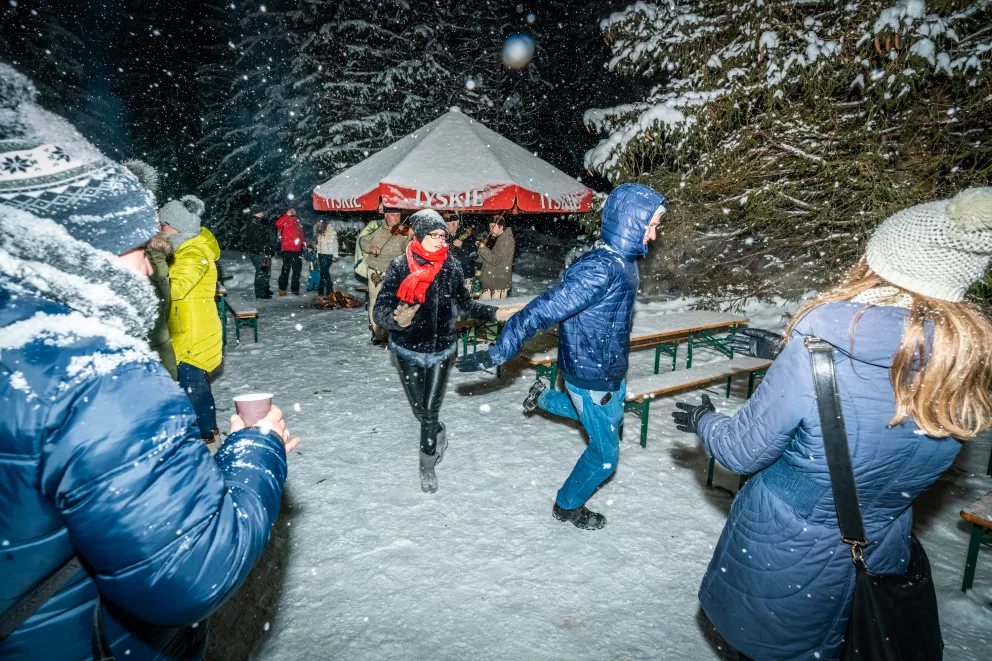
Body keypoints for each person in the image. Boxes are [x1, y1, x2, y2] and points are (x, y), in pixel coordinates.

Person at [0, 64, 298, 660]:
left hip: (49, 635)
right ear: (83, 248)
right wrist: (257, 449)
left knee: (195, 398)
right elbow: (189, 572)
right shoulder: (96, 378)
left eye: (150, 243)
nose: (145, 265)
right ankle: (211, 441)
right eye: (139, 246)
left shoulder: (32, 346)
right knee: (194, 400)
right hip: (81, 645)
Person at [669, 187, 992, 661]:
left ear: (881, 262)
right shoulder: (962, 366)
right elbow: (882, 419)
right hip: (880, 548)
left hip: (785, 552)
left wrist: (705, 419)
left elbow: (741, 451)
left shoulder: (819, 347)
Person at [456, 183, 666, 529]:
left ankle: (545, 398)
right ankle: (567, 506)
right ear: (631, 223)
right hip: (591, 373)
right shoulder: (602, 269)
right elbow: (542, 310)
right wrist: (501, 349)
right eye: (652, 226)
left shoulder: (622, 261)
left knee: (604, 419)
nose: (655, 235)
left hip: (606, 367)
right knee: (605, 457)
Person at [373, 210, 520, 492]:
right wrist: (395, 319)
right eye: (435, 235)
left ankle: (426, 465)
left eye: (443, 235)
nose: (442, 240)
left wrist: (496, 314)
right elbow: (380, 309)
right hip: (407, 349)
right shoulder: (399, 266)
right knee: (421, 410)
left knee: (429, 409)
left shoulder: (451, 267)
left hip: (441, 350)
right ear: (419, 236)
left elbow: (465, 305)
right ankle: (437, 430)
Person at [160, 195, 224, 445]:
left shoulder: (193, 252)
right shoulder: (184, 248)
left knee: (191, 387)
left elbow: (175, 289)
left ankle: (204, 440)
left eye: (163, 225)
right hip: (188, 327)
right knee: (196, 385)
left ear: (176, 226)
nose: (160, 230)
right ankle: (210, 433)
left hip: (193, 331)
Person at [122, 158, 178, 380]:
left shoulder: (151, 256)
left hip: (152, 373)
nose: (158, 220)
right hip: (155, 372)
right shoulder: (153, 255)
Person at [360, 211, 411, 345]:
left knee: (395, 303)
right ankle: (378, 333)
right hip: (377, 272)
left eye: (398, 215)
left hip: (395, 273)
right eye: (392, 215)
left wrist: (410, 241)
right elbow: (363, 240)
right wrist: (371, 247)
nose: (396, 218)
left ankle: (392, 331)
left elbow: (406, 247)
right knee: (375, 301)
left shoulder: (403, 231)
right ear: (385, 215)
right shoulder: (376, 227)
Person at [477, 215, 515, 299]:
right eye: (490, 227)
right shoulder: (495, 239)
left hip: (498, 285)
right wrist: (481, 249)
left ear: (501, 227)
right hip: (489, 283)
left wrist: (483, 248)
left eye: (493, 227)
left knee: (496, 310)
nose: (490, 229)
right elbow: (484, 259)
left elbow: (495, 260)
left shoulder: (506, 240)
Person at [246, 210, 276, 299]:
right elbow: (257, 240)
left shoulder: (260, 222)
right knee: (262, 272)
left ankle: (265, 289)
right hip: (259, 253)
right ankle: (260, 292)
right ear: (256, 213)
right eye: (261, 212)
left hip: (264, 252)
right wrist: (264, 250)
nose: (263, 214)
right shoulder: (254, 223)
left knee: (266, 271)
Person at [275, 208, 305, 295]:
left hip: (297, 251)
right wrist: (286, 215)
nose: (292, 212)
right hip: (287, 250)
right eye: (291, 211)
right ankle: (282, 289)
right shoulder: (285, 220)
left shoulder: (297, 222)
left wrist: (305, 243)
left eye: (294, 211)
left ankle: (295, 289)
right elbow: (277, 224)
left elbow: (301, 234)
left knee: (297, 271)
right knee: (285, 270)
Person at [444, 211, 476, 292]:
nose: (445, 227)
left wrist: (462, 246)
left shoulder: (468, 235)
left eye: (447, 225)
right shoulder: (444, 235)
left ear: (455, 224)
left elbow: (474, 254)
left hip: (465, 276)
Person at [314, 219, 340, 296]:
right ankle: (321, 290)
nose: (318, 223)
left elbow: (335, 243)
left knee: (325, 272)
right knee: (323, 273)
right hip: (321, 254)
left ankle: (329, 289)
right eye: (317, 222)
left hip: (328, 254)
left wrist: (335, 255)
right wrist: (317, 254)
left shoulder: (330, 230)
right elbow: (318, 245)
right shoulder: (319, 230)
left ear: (323, 222)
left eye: (319, 222)